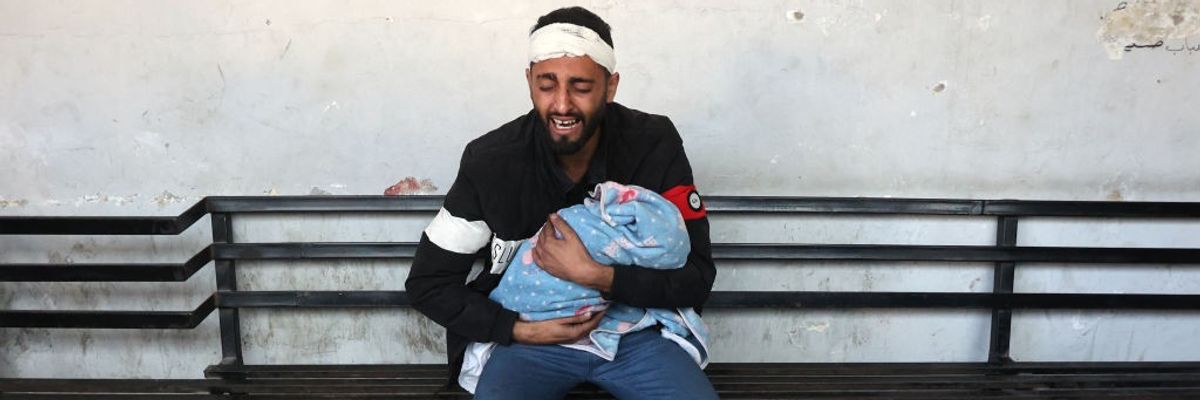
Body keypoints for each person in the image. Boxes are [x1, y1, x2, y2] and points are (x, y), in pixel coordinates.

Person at [405, 6, 718, 399]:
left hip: (636, 335)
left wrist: (598, 276)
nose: (563, 104)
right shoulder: (491, 161)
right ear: (529, 81)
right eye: (547, 84)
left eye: (582, 87)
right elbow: (428, 283)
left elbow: (697, 276)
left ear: (611, 86)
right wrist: (518, 329)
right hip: (529, 341)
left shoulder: (653, 143)